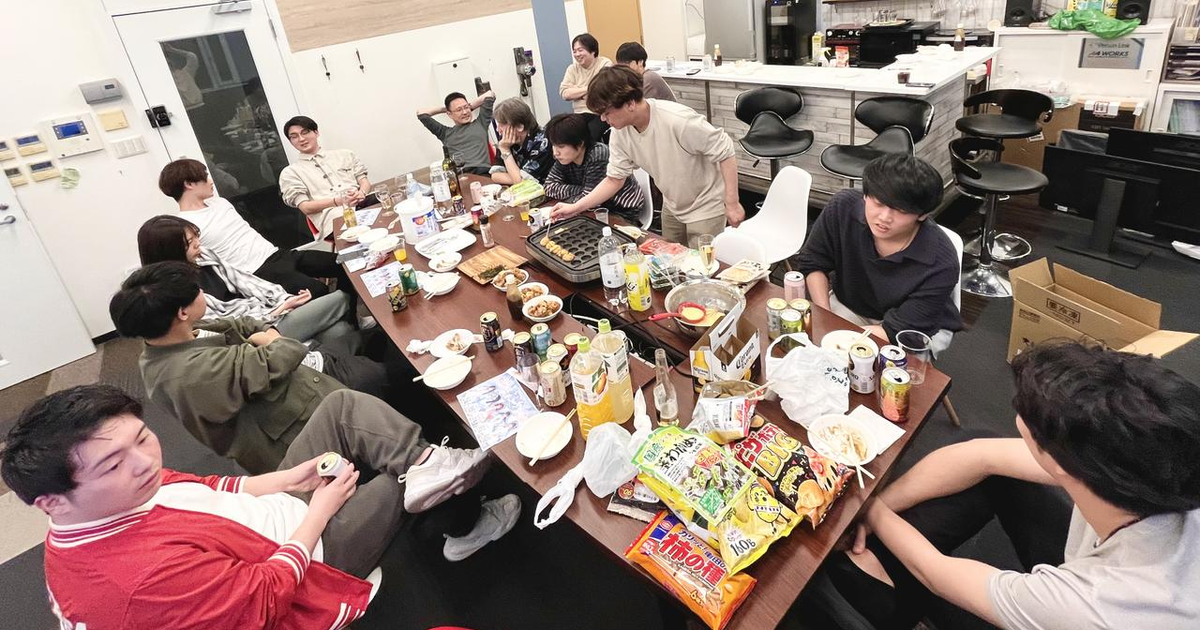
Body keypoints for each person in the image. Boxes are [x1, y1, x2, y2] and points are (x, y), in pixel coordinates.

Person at [1, 383, 521, 629]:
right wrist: (319, 510)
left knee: (341, 407)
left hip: (271, 520)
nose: (144, 463)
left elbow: (207, 486)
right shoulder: (135, 583)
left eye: (142, 437)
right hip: (305, 560)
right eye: (113, 463)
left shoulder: (113, 495)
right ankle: (465, 521)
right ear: (51, 502)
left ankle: (430, 465)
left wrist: (288, 479)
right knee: (394, 480)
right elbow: (265, 598)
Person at [789, 341, 1200, 630]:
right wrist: (877, 508)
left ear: (1066, 465)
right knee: (981, 451)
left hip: (1092, 610)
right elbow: (980, 455)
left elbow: (936, 573)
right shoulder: (1150, 465)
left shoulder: (1098, 606)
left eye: (1030, 428)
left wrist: (866, 503)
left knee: (839, 589)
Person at [108, 262, 386, 475]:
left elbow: (243, 324)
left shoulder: (178, 334)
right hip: (296, 427)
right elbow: (286, 352)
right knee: (380, 373)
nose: (203, 293)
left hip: (293, 387)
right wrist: (272, 340)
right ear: (182, 312)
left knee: (361, 339)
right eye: (198, 291)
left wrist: (268, 339)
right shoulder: (189, 372)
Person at [551, 66, 745, 247]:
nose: (602, 118)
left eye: (606, 112)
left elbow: (725, 149)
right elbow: (614, 179)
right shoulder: (620, 132)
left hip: (706, 204)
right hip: (673, 204)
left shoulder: (677, 120)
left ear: (630, 103)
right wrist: (575, 207)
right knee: (670, 260)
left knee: (703, 266)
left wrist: (732, 203)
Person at [794, 154, 961, 352]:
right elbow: (813, 262)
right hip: (851, 305)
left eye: (900, 210)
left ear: (923, 214)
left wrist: (842, 339)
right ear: (865, 195)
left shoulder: (941, 261)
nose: (884, 217)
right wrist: (825, 315)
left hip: (914, 327)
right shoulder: (843, 208)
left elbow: (900, 329)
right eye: (878, 203)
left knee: (884, 367)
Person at [137, 215, 353, 346]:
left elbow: (245, 281)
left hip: (269, 312)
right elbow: (221, 325)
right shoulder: (176, 291)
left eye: (196, 237)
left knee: (341, 331)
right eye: (189, 242)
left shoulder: (204, 256)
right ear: (169, 251)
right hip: (255, 332)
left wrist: (283, 299)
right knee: (342, 298)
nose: (198, 244)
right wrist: (277, 310)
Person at [159, 158, 353, 299]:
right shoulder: (185, 226)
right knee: (319, 291)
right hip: (256, 273)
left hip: (277, 255)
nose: (211, 181)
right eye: (205, 177)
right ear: (189, 184)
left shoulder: (219, 202)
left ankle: (355, 318)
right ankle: (350, 330)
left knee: (348, 263)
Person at [278, 116, 373, 240]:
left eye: (305, 132)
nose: (301, 139)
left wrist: (362, 193)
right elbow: (305, 207)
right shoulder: (290, 173)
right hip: (335, 218)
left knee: (389, 201)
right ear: (290, 141)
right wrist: (338, 201)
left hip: (363, 203)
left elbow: (363, 181)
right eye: (294, 136)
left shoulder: (345, 154)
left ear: (316, 132)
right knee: (365, 232)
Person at [543, 113, 645, 224]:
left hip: (621, 210)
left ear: (580, 144)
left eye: (561, 146)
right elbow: (548, 188)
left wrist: (583, 194)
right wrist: (581, 189)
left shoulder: (598, 155)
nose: (555, 152)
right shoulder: (564, 158)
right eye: (553, 145)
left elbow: (591, 202)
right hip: (594, 208)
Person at [417, 90, 496, 175]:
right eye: (459, 110)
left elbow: (490, 94)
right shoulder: (444, 133)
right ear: (449, 114)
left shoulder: (481, 123)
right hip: (460, 175)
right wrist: (446, 109)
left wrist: (469, 107)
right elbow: (421, 113)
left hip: (483, 173)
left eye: (466, 108)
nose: (465, 112)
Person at [560, 33, 613, 142]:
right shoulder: (572, 69)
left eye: (580, 50)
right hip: (579, 114)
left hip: (599, 113)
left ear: (593, 51)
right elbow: (565, 94)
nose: (577, 54)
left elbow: (601, 90)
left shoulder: (605, 63)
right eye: (574, 51)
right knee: (564, 135)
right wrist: (589, 89)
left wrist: (577, 91)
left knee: (589, 139)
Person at [490, 98, 553, 185]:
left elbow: (522, 184)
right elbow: (495, 175)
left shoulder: (542, 143)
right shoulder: (505, 140)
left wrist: (505, 150)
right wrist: (517, 178)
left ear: (519, 126)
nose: (498, 130)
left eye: (502, 125)